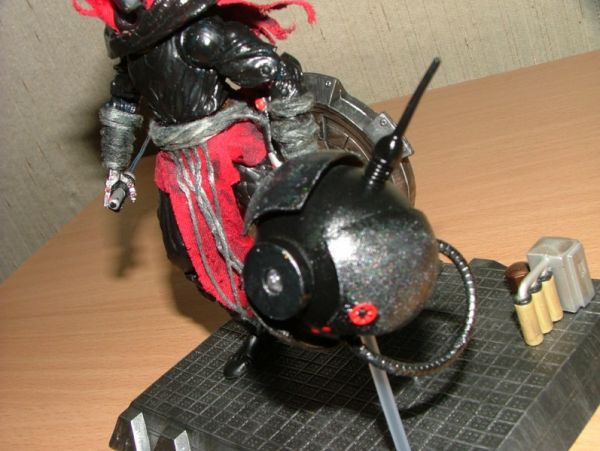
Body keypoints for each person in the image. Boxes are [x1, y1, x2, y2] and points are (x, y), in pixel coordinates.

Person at [74, 0, 319, 377]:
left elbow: (279, 72)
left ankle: (312, 309)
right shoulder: (133, 53)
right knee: (187, 257)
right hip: (179, 165)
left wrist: (301, 155)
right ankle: (258, 324)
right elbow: (122, 105)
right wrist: (116, 167)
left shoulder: (200, 35)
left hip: (230, 152)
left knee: (282, 238)